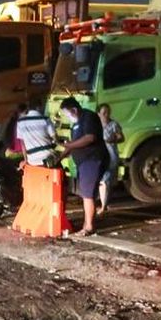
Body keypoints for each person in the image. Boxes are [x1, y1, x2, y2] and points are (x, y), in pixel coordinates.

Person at [56, 97, 107, 236]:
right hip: (83, 163)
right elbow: (73, 144)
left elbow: (90, 138)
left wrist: (69, 145)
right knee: (86, 194)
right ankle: (86, 223)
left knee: (88, 195)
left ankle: (89, 227)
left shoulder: (88, 117)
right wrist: (59, 157)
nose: (67, 117)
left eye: (67, 114)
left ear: (74, 109)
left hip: (92, 160)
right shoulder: (76, 124)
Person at [15, 98, 58, 167]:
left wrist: (26, 160)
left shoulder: (20, 122)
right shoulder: (45, 119)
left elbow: (22, 144)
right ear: (39, 107)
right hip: (49, 158)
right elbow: (55, 139)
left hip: (33, 161)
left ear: (29, 107)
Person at [97, 104, 124, 213]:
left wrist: (113, 139)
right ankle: (104, 203)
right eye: (104, 113)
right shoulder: (95, 125)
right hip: (99, 155)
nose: (106, 115)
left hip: (111, 155)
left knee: (106, 179)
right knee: (103, 180)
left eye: (108, 113)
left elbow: (121, 137)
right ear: (98, 114)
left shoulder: (113, 125)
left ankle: (104, 206)